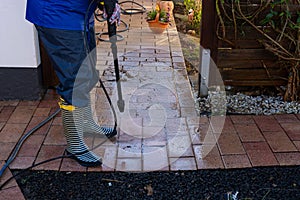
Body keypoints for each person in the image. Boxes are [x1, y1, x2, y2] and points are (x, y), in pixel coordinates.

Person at [25, 0, 119, 167]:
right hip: (59, 15)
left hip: (80, 13)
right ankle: (75, 143)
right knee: (75, 81)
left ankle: (87, 124)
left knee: (88, 73)